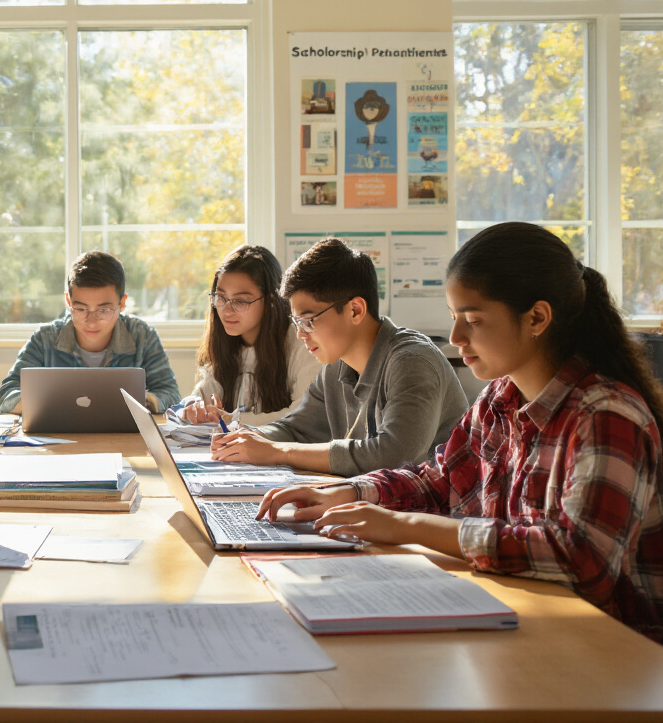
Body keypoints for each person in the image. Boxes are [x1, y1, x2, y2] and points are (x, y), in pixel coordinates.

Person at [258, 222, 663, 643]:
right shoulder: (498, 400)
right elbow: (437, 480)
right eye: (454, 318)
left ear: (537, 318)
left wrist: (407, 525)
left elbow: (580, 558)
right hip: (529, 624)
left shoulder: (606, 416)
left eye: (473, 320)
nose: (456, 338)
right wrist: (352, 492)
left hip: (616, 649)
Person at [211, 237, 465, 476]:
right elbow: (296, 430)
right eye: (295, 322)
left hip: (435, 514)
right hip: (378, 506)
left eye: (308, 321)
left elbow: (394, 456)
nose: (300, 334)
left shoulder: (412, 361)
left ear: (355, 310)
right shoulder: (337, 366)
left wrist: (278, 451)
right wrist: (247, 438)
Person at [0, 251, 180, 413]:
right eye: (81, 309)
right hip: (58, 445)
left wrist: (140, 402)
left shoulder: (142, 336)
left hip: (126, 444)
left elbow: (171, 395)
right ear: (68, 301)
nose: (91, 322)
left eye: (104, 310)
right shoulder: (45, 339)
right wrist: (54, 404)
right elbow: (5, 396)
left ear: (122, 303)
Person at [179, 245, 319, 427]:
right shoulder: (226, 342)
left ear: (270, 301)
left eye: (241, 301)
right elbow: (202, 397)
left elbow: (303, 415)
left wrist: (232, 419)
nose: (227, 310)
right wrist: (194, 406)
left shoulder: (303, 341)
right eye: (220, 297)